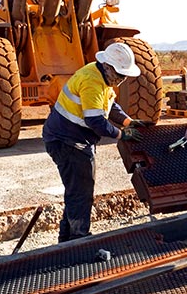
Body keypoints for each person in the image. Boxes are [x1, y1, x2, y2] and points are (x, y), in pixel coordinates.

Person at [43, 42, 147, 243]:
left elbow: (110, 104)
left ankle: (67, 239)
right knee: (81, 192)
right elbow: (95, 121)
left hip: (71, 138)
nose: (122, 79)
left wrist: (128, 121)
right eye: (120, 74)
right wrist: (121, 134)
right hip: (68, 142)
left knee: (76, 190)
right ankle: (78, 239)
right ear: (107, 66)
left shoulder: (101, 77)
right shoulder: (92, 81)